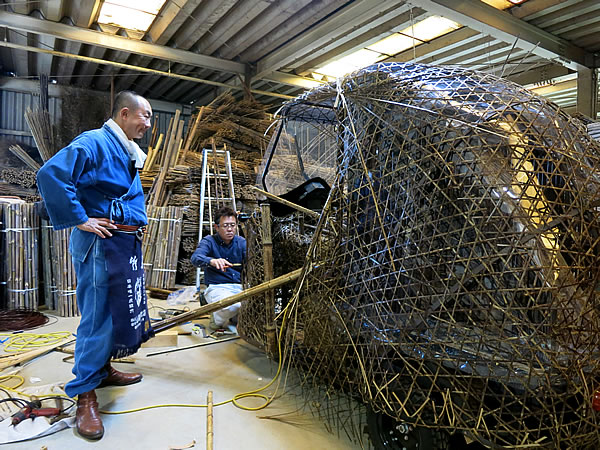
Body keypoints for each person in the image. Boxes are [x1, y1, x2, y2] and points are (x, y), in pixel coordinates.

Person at [36, 91, 154, 440]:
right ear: (124, 113)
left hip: (121, 242)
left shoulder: (125, 148)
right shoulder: (94, 142)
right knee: (97, 314)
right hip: (100, 243)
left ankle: (102, 370)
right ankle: (84, 391)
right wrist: (81, 218)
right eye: (144, 116)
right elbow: (50, 175)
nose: (148, 124)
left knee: (117, 310)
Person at [191, 206, 246, 331]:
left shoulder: (241, 242)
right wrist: (212, 261)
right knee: (232, 306)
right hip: (217, 287)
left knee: (251, 305)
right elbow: (195, 258)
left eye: (233, 225)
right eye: (225, 225)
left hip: (239, 286)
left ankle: (235, 317)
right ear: (216, 227)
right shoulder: (209, 241)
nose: (230, 229)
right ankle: (216, 317)